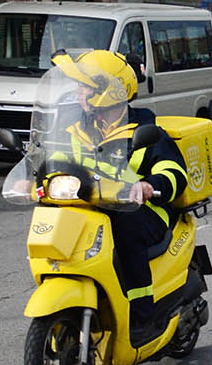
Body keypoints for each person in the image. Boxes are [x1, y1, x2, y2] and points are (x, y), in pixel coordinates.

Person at [52, 51, 189, 340]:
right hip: (93, 207)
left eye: (86, 87)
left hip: (143, 210)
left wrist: (149, 185)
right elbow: (57, 161)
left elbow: (175, 171)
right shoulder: (78, 129)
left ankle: (143, 315)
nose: (80, 93)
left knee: (126, 229)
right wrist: (35, 178)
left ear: (107, 92)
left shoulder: (145, 130)